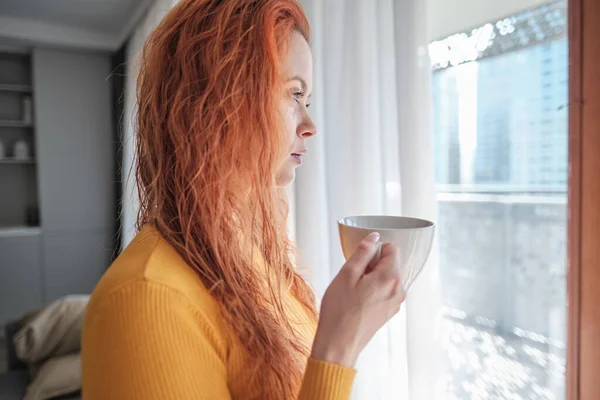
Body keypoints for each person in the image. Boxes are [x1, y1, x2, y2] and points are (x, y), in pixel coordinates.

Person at [81, 0, 406, 399]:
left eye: (308, 100)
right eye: (294, 94)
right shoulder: (145, 301)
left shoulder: (248, 254)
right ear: (218, 99)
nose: (310, 125)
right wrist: (339, 348)